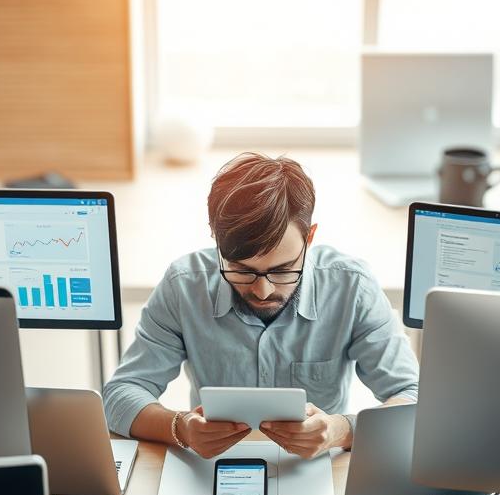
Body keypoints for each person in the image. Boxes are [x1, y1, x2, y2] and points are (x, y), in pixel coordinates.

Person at [102, 152, 418, 459]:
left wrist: (342, 430)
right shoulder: (184, 286)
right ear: (215, 238)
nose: (263, 290)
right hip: (215, 469)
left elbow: (415, 399)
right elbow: (119, 396)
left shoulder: (352, 287)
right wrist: (180, 427)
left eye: (282, 270)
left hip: (318, 469)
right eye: (242, 270)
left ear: (309, 238)